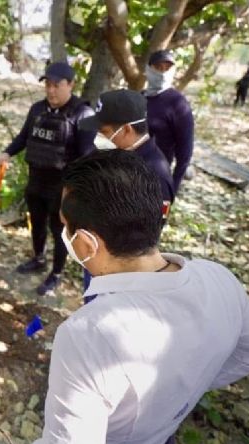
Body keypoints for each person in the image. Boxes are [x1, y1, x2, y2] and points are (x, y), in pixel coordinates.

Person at [21, 150, 249, 444]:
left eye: (65, 226)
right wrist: (189, 384)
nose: (64, 233)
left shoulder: (89, 334)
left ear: (86, 244)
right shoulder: (218, 278)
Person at [0, 62, 95, 296]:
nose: (51, 91)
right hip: (37, 179)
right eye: (48, 85)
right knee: (37, 223)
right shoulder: (37, 109)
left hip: (63, 187)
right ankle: (38, 258)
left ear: (70, 85)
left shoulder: (83, 114)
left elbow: (87, 157)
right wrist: (7, 152)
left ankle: (56, 273)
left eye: (57, 85)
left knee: (59, 229)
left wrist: (74, 190)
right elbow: (23, 138)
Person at [79, 89, 175, 302]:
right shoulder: (124, 156)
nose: (101, 136)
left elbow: (143, 238)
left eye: (104, 130)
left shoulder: (154, 175)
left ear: (127, 129)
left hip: (118, 272)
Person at [144, 50, 195, 196]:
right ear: (148, 69)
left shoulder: (178, 104)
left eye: (167, 69)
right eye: (158, 68)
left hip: (157, 180)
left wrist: (172, 188)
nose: (163, 73)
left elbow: (185, 152)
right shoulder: (139, 98)